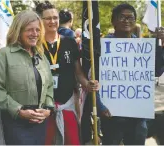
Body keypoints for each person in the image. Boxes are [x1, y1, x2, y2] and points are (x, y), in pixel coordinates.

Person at [35, 1, 103, 145]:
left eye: (55, 17)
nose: (52, 21)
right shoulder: (35, 45)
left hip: (66, 104)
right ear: (40, 20)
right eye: (48, 18)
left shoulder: (69, 42)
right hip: (43, 108)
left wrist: (87, 84)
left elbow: (78, 72)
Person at [100, 3, 164, 145]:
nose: (127, 21)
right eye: (122, 17)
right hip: (111, 114)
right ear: (113, 21)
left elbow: (157, 71)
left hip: (137, 115)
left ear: (135, 21)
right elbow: (96, 78)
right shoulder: (103, 46)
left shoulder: (143, 47)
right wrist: (100, 105)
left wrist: (162, 45)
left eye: (131, 17)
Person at [0, 10, 54, 145]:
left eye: (37, 30)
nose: (35, 34)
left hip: (40, 122)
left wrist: (48, 109)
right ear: (18, 31)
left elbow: (49, 87)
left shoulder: (42, 57)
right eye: (30, 30)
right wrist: (19, 111)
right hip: (15, 124)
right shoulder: (4, 55)